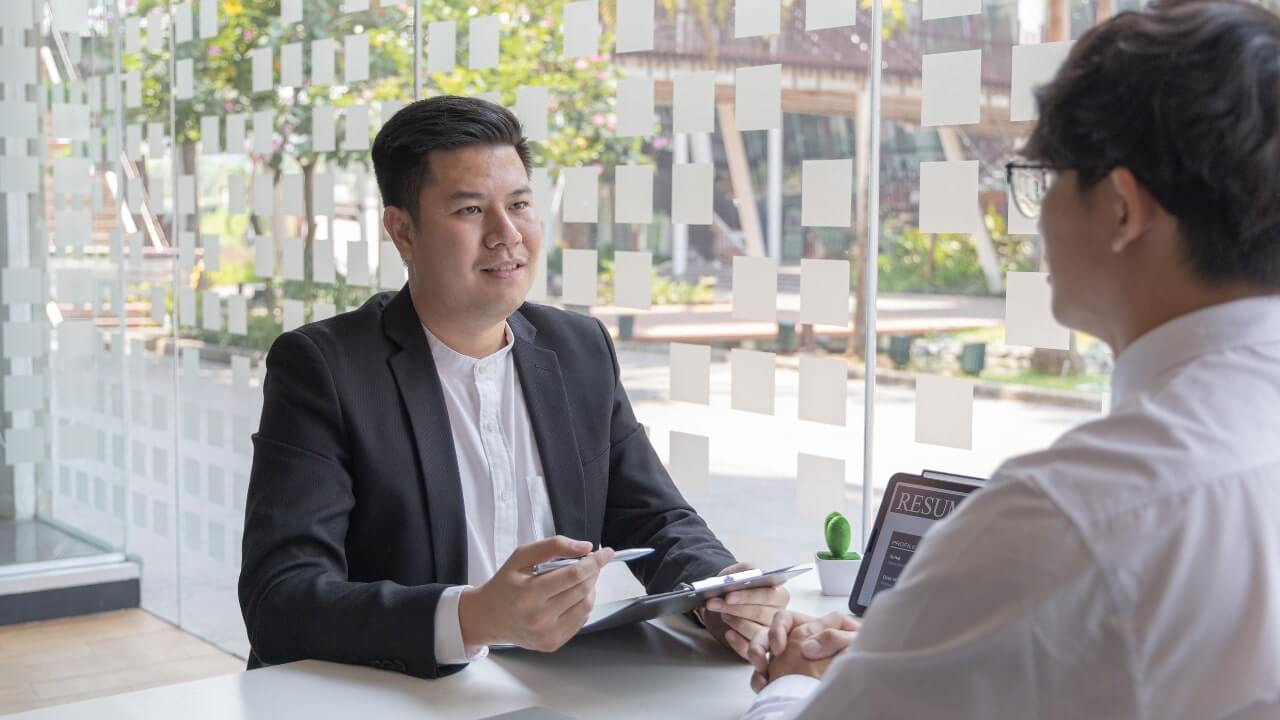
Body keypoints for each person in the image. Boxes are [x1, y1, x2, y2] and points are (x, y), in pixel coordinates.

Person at [741, 1, 1280, 717]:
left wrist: (796, 685)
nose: (1033, 220)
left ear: (1123, 207)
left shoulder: (1068, 515)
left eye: (1043, 176)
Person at [238, 96, 788, 679]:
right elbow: (281, 601)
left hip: (554, 687)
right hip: (389, 695)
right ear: (402, 231)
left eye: (520, 204)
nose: (506, 235)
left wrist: (724, 593)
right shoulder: (324, 368)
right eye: (471, 210)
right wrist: (473, 617)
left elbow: (657, 518)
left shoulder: (578, 349)